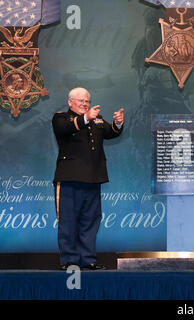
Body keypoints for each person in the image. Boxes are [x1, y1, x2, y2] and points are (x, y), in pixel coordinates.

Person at [52, 87, 124, 270]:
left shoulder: (96, 119)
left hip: (93, 178)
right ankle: (69, 260)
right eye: (81, 101)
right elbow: (64, 130)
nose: (84, 104)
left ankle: (87, 259)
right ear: (70, 102)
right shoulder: (61, 118)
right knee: (68, 220)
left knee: (91, 220)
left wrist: (117, 123)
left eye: (87, 101)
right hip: (70, 178)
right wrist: (86, 118)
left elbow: (111, 132)